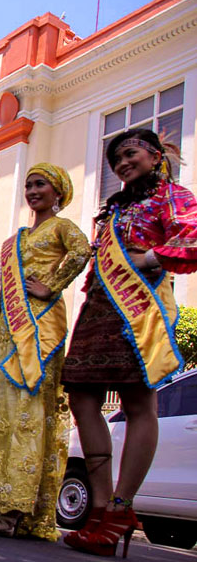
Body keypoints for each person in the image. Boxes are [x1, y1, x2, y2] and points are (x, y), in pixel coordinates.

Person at [61, 129, 197, 557]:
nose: (121, 163)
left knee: (140, 402)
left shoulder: (172, 196)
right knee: (82, 398)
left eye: (129, 153)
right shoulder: (114, 209)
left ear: (155, 155)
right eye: (115, 159)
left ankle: (121, 508)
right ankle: (99, 506)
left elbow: (192, 235)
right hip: (99, 307)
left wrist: (153, 256)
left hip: (141, 309)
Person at [0, 164, 91, 540]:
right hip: (8, 333)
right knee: (2, 415)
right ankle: (1, 500)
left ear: (58, 192)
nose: (33, 191)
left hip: (40, 331)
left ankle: (18, 508)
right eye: (29, 185)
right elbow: (6, 289)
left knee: (29, 414)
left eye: (41, 185)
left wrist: (50, 285)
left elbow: (83, 250)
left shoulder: (62, 227)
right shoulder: (17, 238)